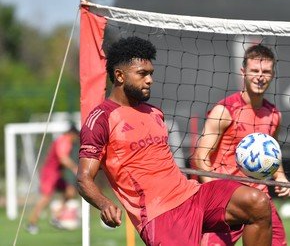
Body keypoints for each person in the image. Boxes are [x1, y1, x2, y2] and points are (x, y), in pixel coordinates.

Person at [77, 36, 272, 246]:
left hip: (193, 195)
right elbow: (83, 178)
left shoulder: (154, 113)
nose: (150, 80)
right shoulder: (101, 118)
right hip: (160, 215)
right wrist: (104, 203)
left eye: (151, 73)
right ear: (120, 76)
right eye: (142, 74)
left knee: (258, 204)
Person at [194, 44, 289, 245]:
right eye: (254, 71)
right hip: (229, 198)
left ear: (272, 75)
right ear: (243, 72)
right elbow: (200, 156)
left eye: (266, 72)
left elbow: (272, 152)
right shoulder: (225, 110)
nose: (260, 76)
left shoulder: (274, 114)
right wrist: (214, 193)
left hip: (260, 199)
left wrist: (280, 176)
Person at [26, 125, 79, 234]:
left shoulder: (64, 141)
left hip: (56, 174)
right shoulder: (64, 141)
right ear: (72, 134)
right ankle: (31, 224)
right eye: (76, 137)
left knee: (70, 191)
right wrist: (75, 168)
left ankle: (56, 217)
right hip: (49, 173)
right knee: (45, 198)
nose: (76, 139)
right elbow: (63, 158)